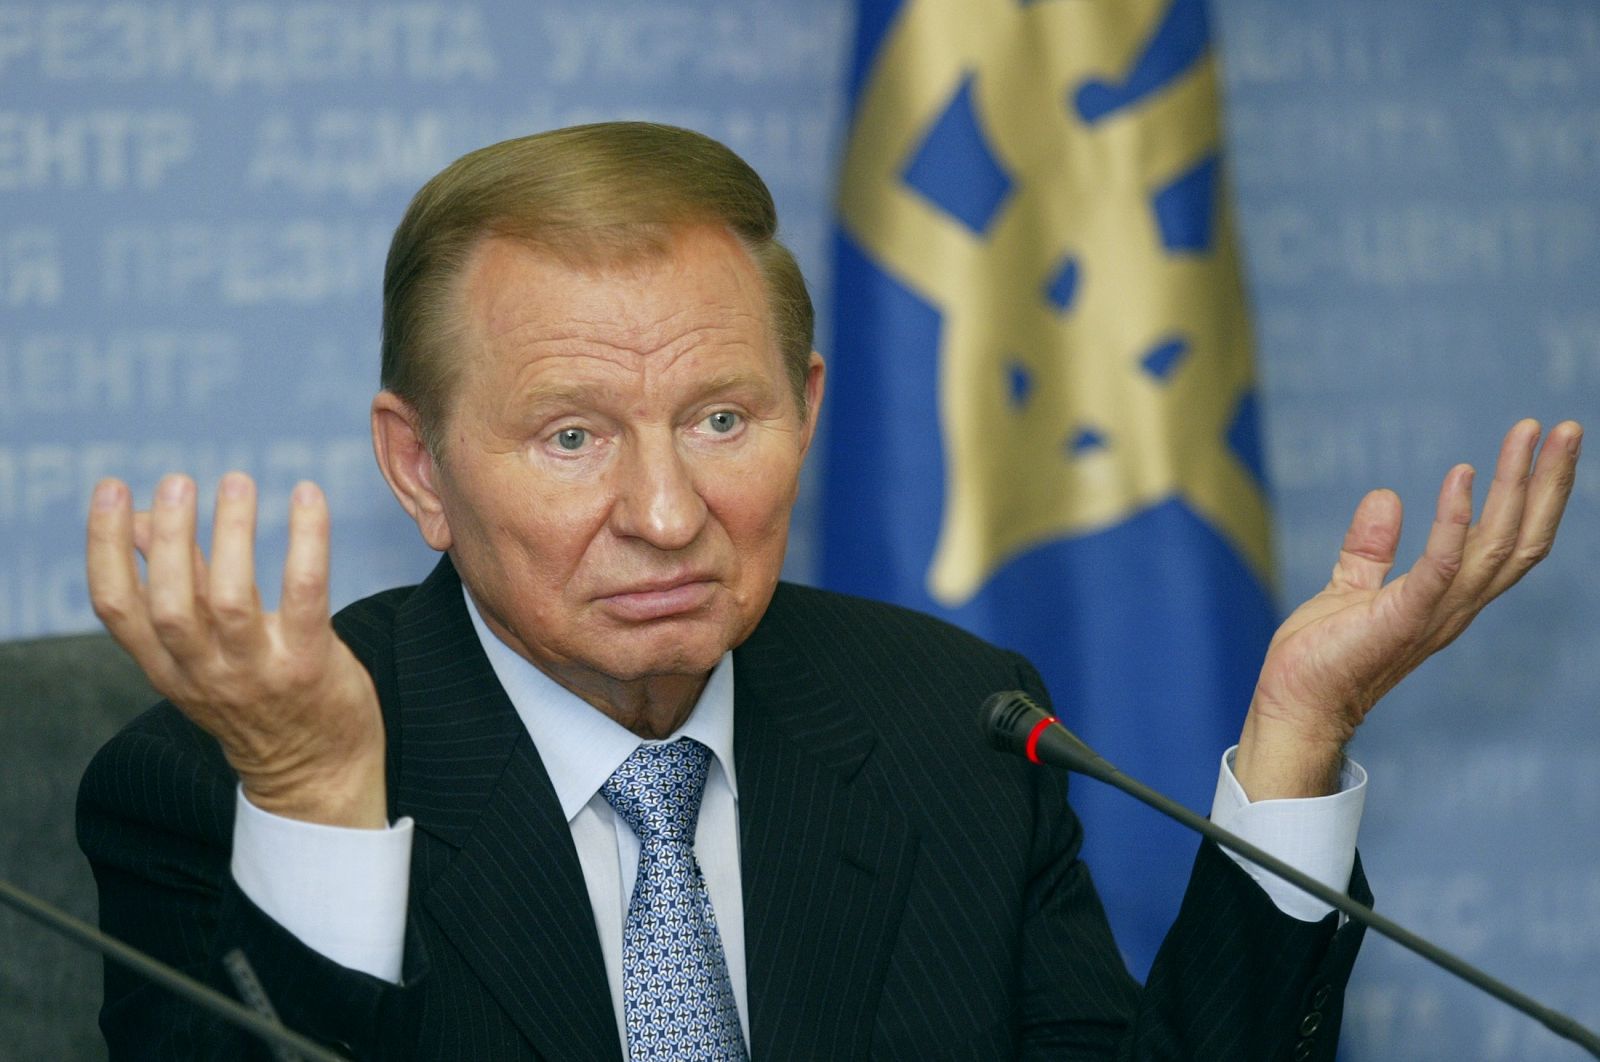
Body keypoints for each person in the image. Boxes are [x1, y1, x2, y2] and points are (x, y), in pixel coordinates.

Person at [78, 122, 1582, 1061]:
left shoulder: (949, 728)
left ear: (808, 405)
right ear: (418, 468)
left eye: (723, 421)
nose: (667, 513)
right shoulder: (231, 783)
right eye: (571, 435)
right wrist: (312, 789)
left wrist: (1295, 743)